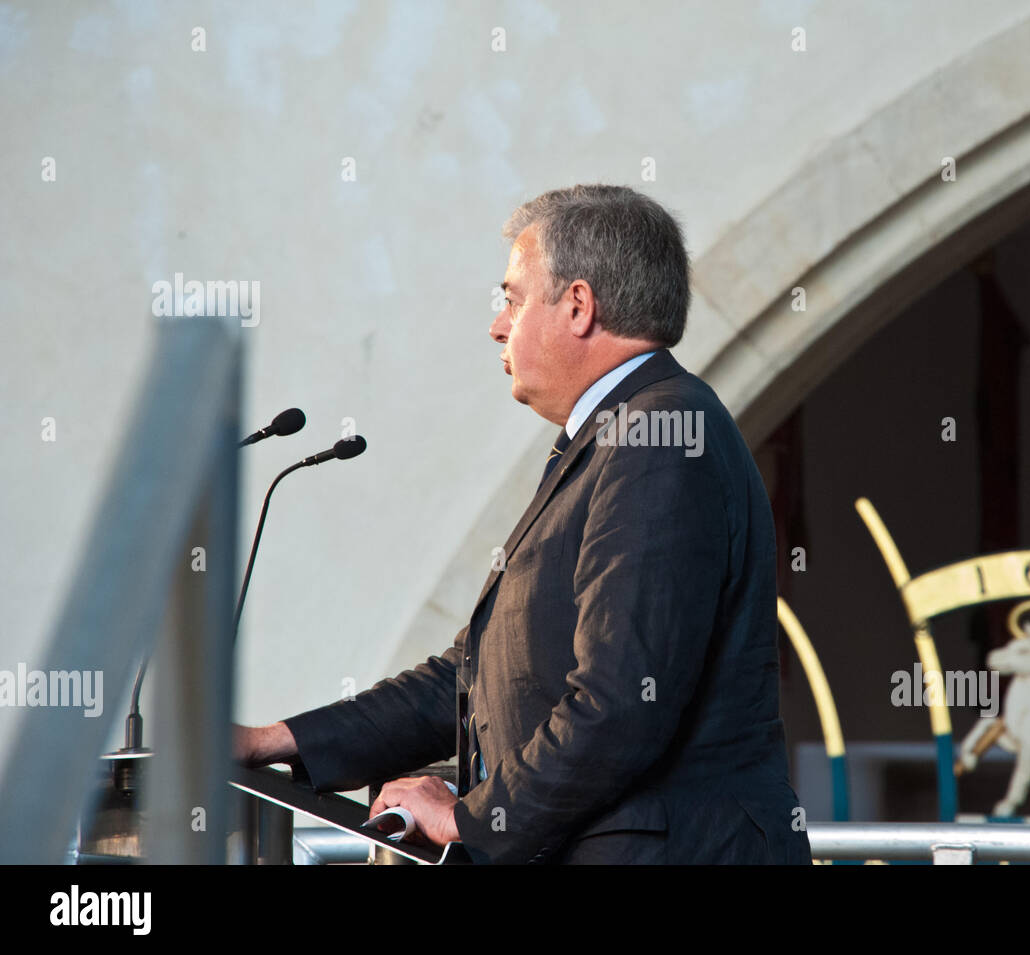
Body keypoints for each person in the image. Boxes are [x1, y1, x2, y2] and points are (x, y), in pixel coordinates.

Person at [235, 184, 812, 864]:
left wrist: (469, 818)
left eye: (511, 296)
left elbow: (622, 700)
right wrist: (275, 740)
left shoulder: (657, 435)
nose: (497, 324)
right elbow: (473, 674)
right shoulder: (613, 435)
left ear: (577, 305)